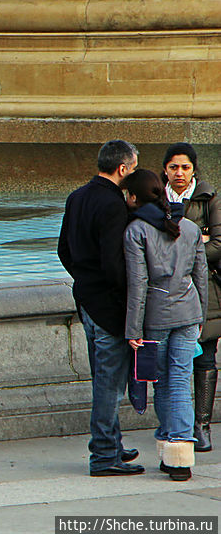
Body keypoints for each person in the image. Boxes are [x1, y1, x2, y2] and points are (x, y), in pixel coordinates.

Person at [57, 139, 144, 476]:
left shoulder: (76, 196)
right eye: (134, 169)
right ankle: (104, 455)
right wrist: (128, 303)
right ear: (122, 169)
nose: (134, 176)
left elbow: (63, 249)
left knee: (103, 379)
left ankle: (114, 444)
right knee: (109, 384)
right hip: (108, 307)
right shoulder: (113, 205)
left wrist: (83, 279)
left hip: (86, 300)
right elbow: (114, 264)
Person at [123, 168, 207, 481]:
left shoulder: (136, 231)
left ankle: (171, 441)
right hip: (189, 313)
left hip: (155, 317)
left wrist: (133, 329)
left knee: (161, 381)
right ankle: (180, 450)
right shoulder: (188, 227)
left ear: (135, 197)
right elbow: (200, 276)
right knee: (181, 380)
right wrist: (201, 316)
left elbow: (138, 284)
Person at [161, 142, 221, 452]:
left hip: (205, 289)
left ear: (194, 169)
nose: (179, 173)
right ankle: (176, 423)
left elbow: (220, 245)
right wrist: (200, 238)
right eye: (173, 167)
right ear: (165, 170)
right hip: (167, 292)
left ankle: (202, 425)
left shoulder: (210, 198)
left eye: (185, 167)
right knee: (172, 360)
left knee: (206, 355)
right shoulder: (156, 198)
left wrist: (183, 251)